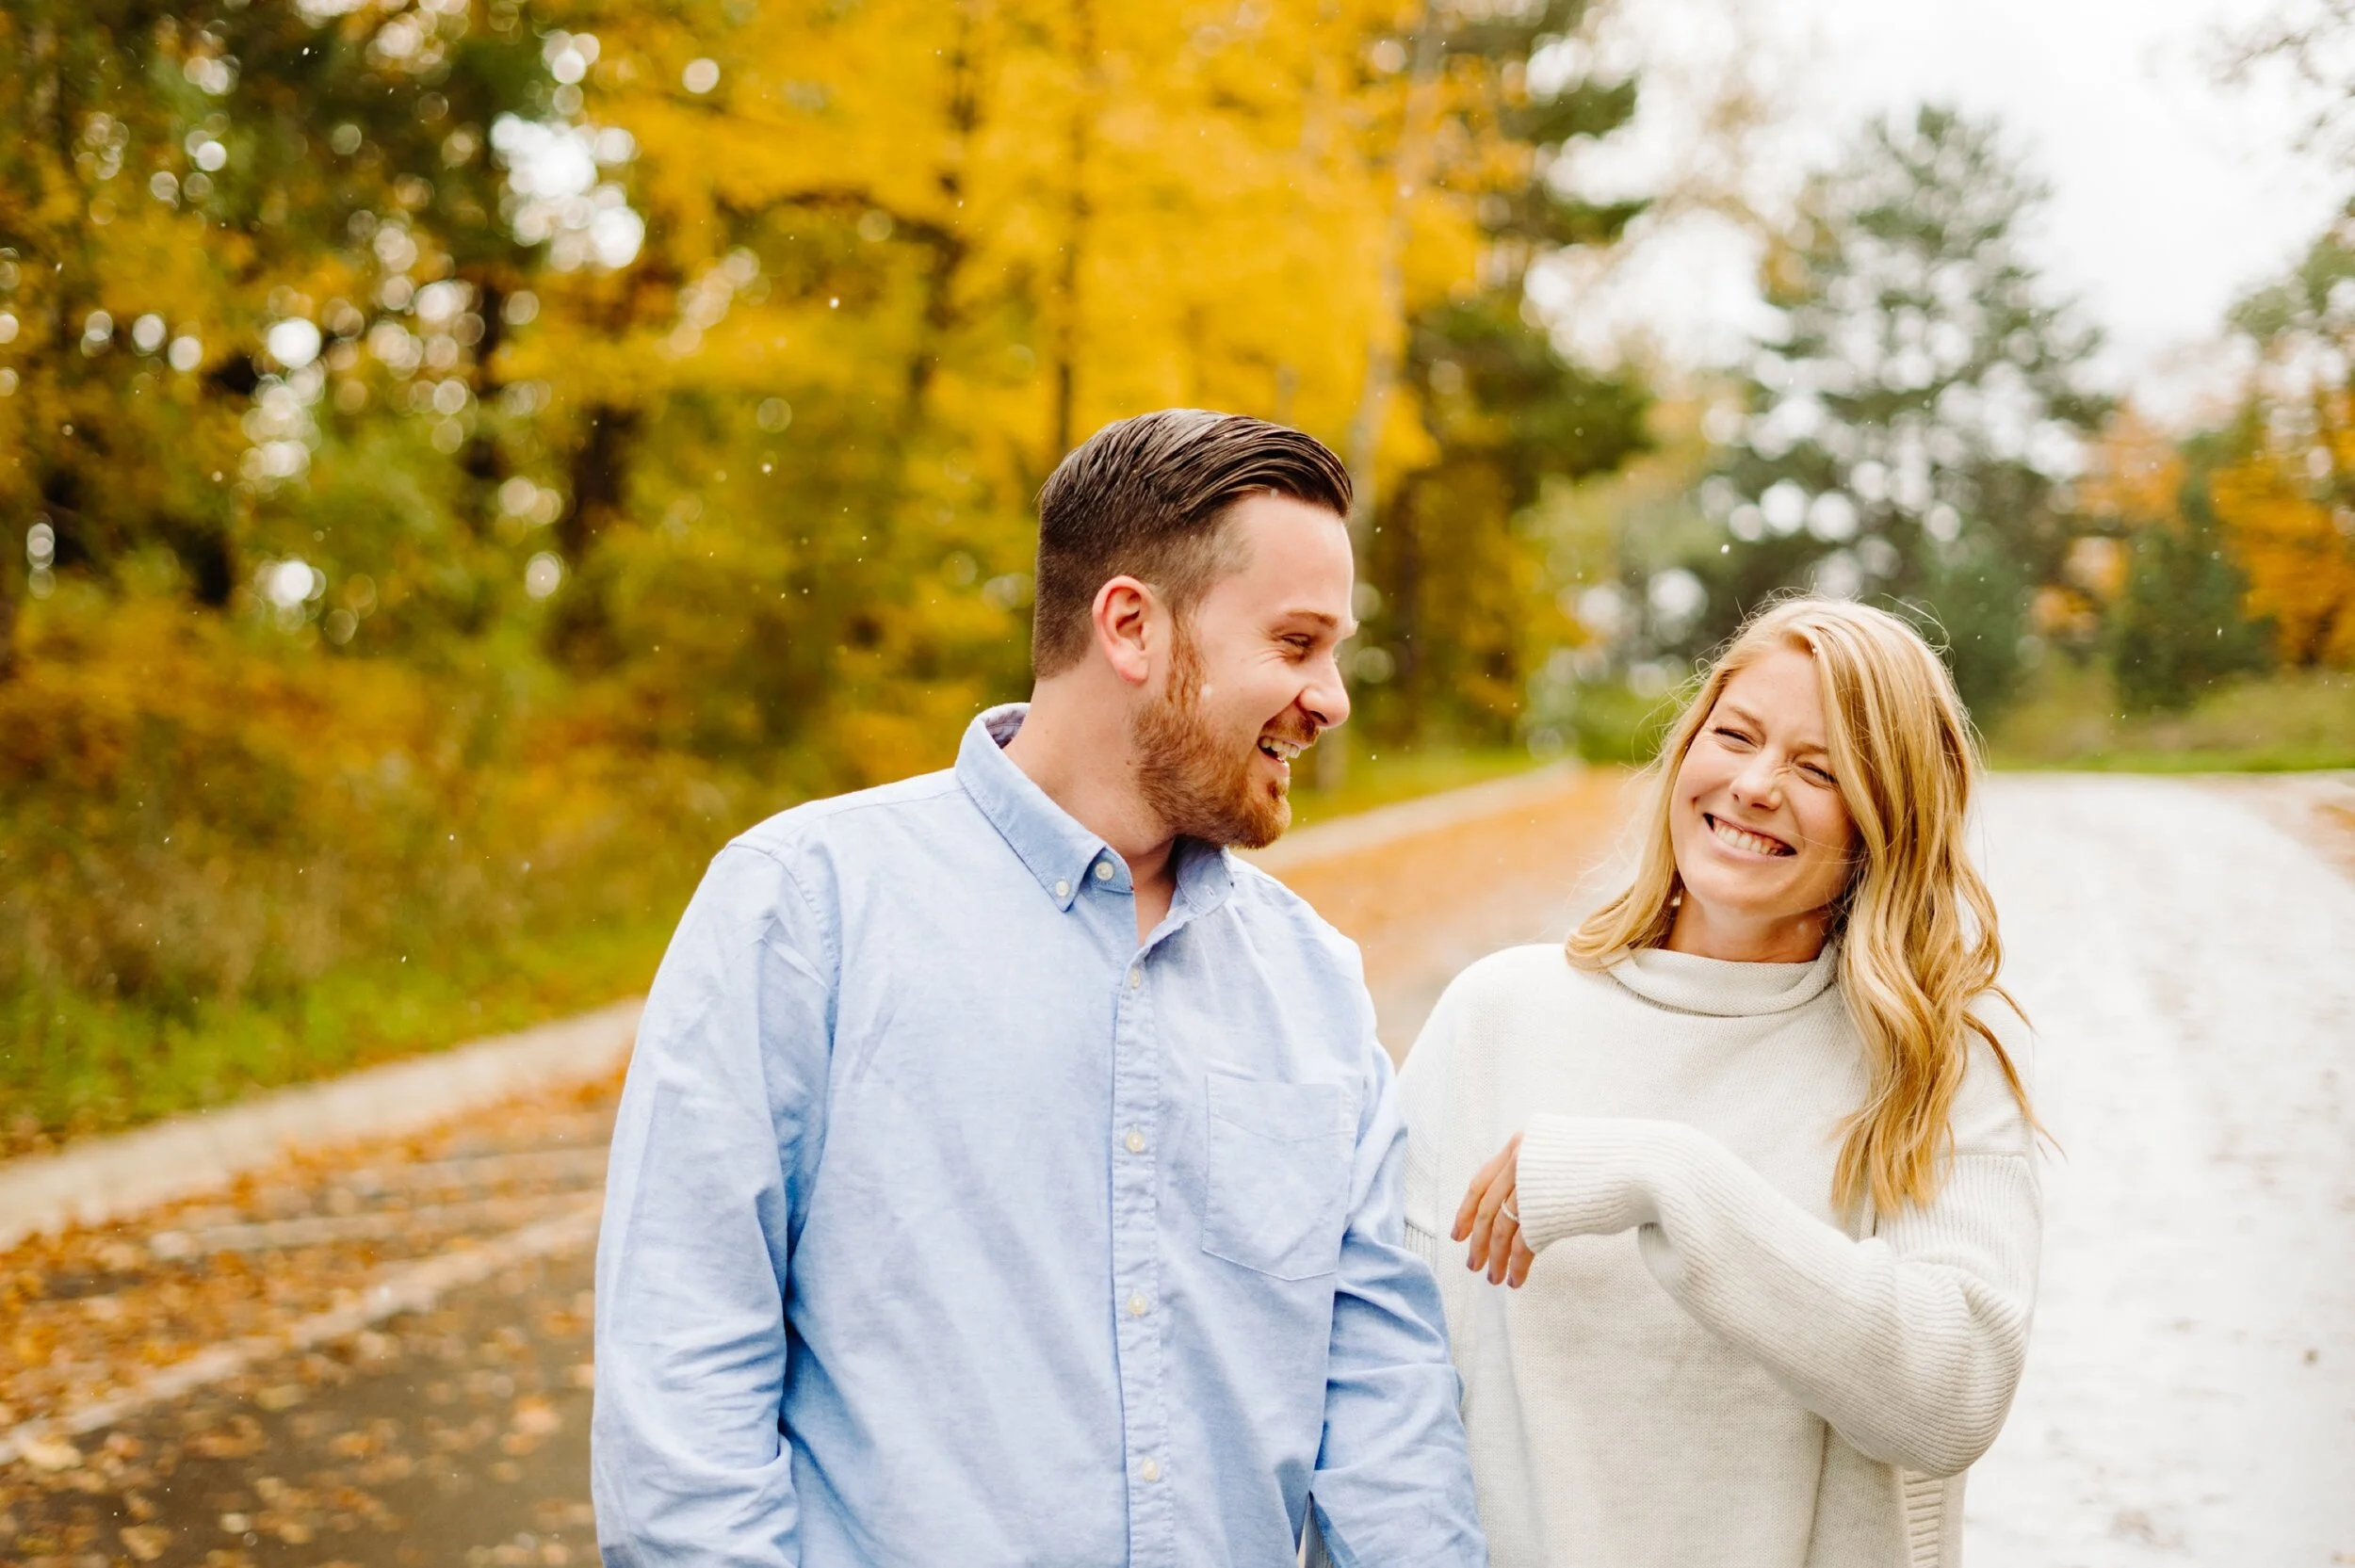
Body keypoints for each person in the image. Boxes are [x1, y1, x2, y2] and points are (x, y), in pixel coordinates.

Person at [592, 410, 1486, 1567]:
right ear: (1132, 627)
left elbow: (1381, 1411)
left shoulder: (1311, 982)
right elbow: (684, 1382)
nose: (1331, 697)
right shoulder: (805, 907)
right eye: (1297, 642)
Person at [1402, 596, 2040, 1568]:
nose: (1752, 785)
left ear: (1887, 822)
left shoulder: (1930, 1065)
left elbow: (1951, 1398)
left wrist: (1672, 1178)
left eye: (1818, 769)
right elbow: (1385, 1382)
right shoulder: (1496, 1015)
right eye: (1732, 736)